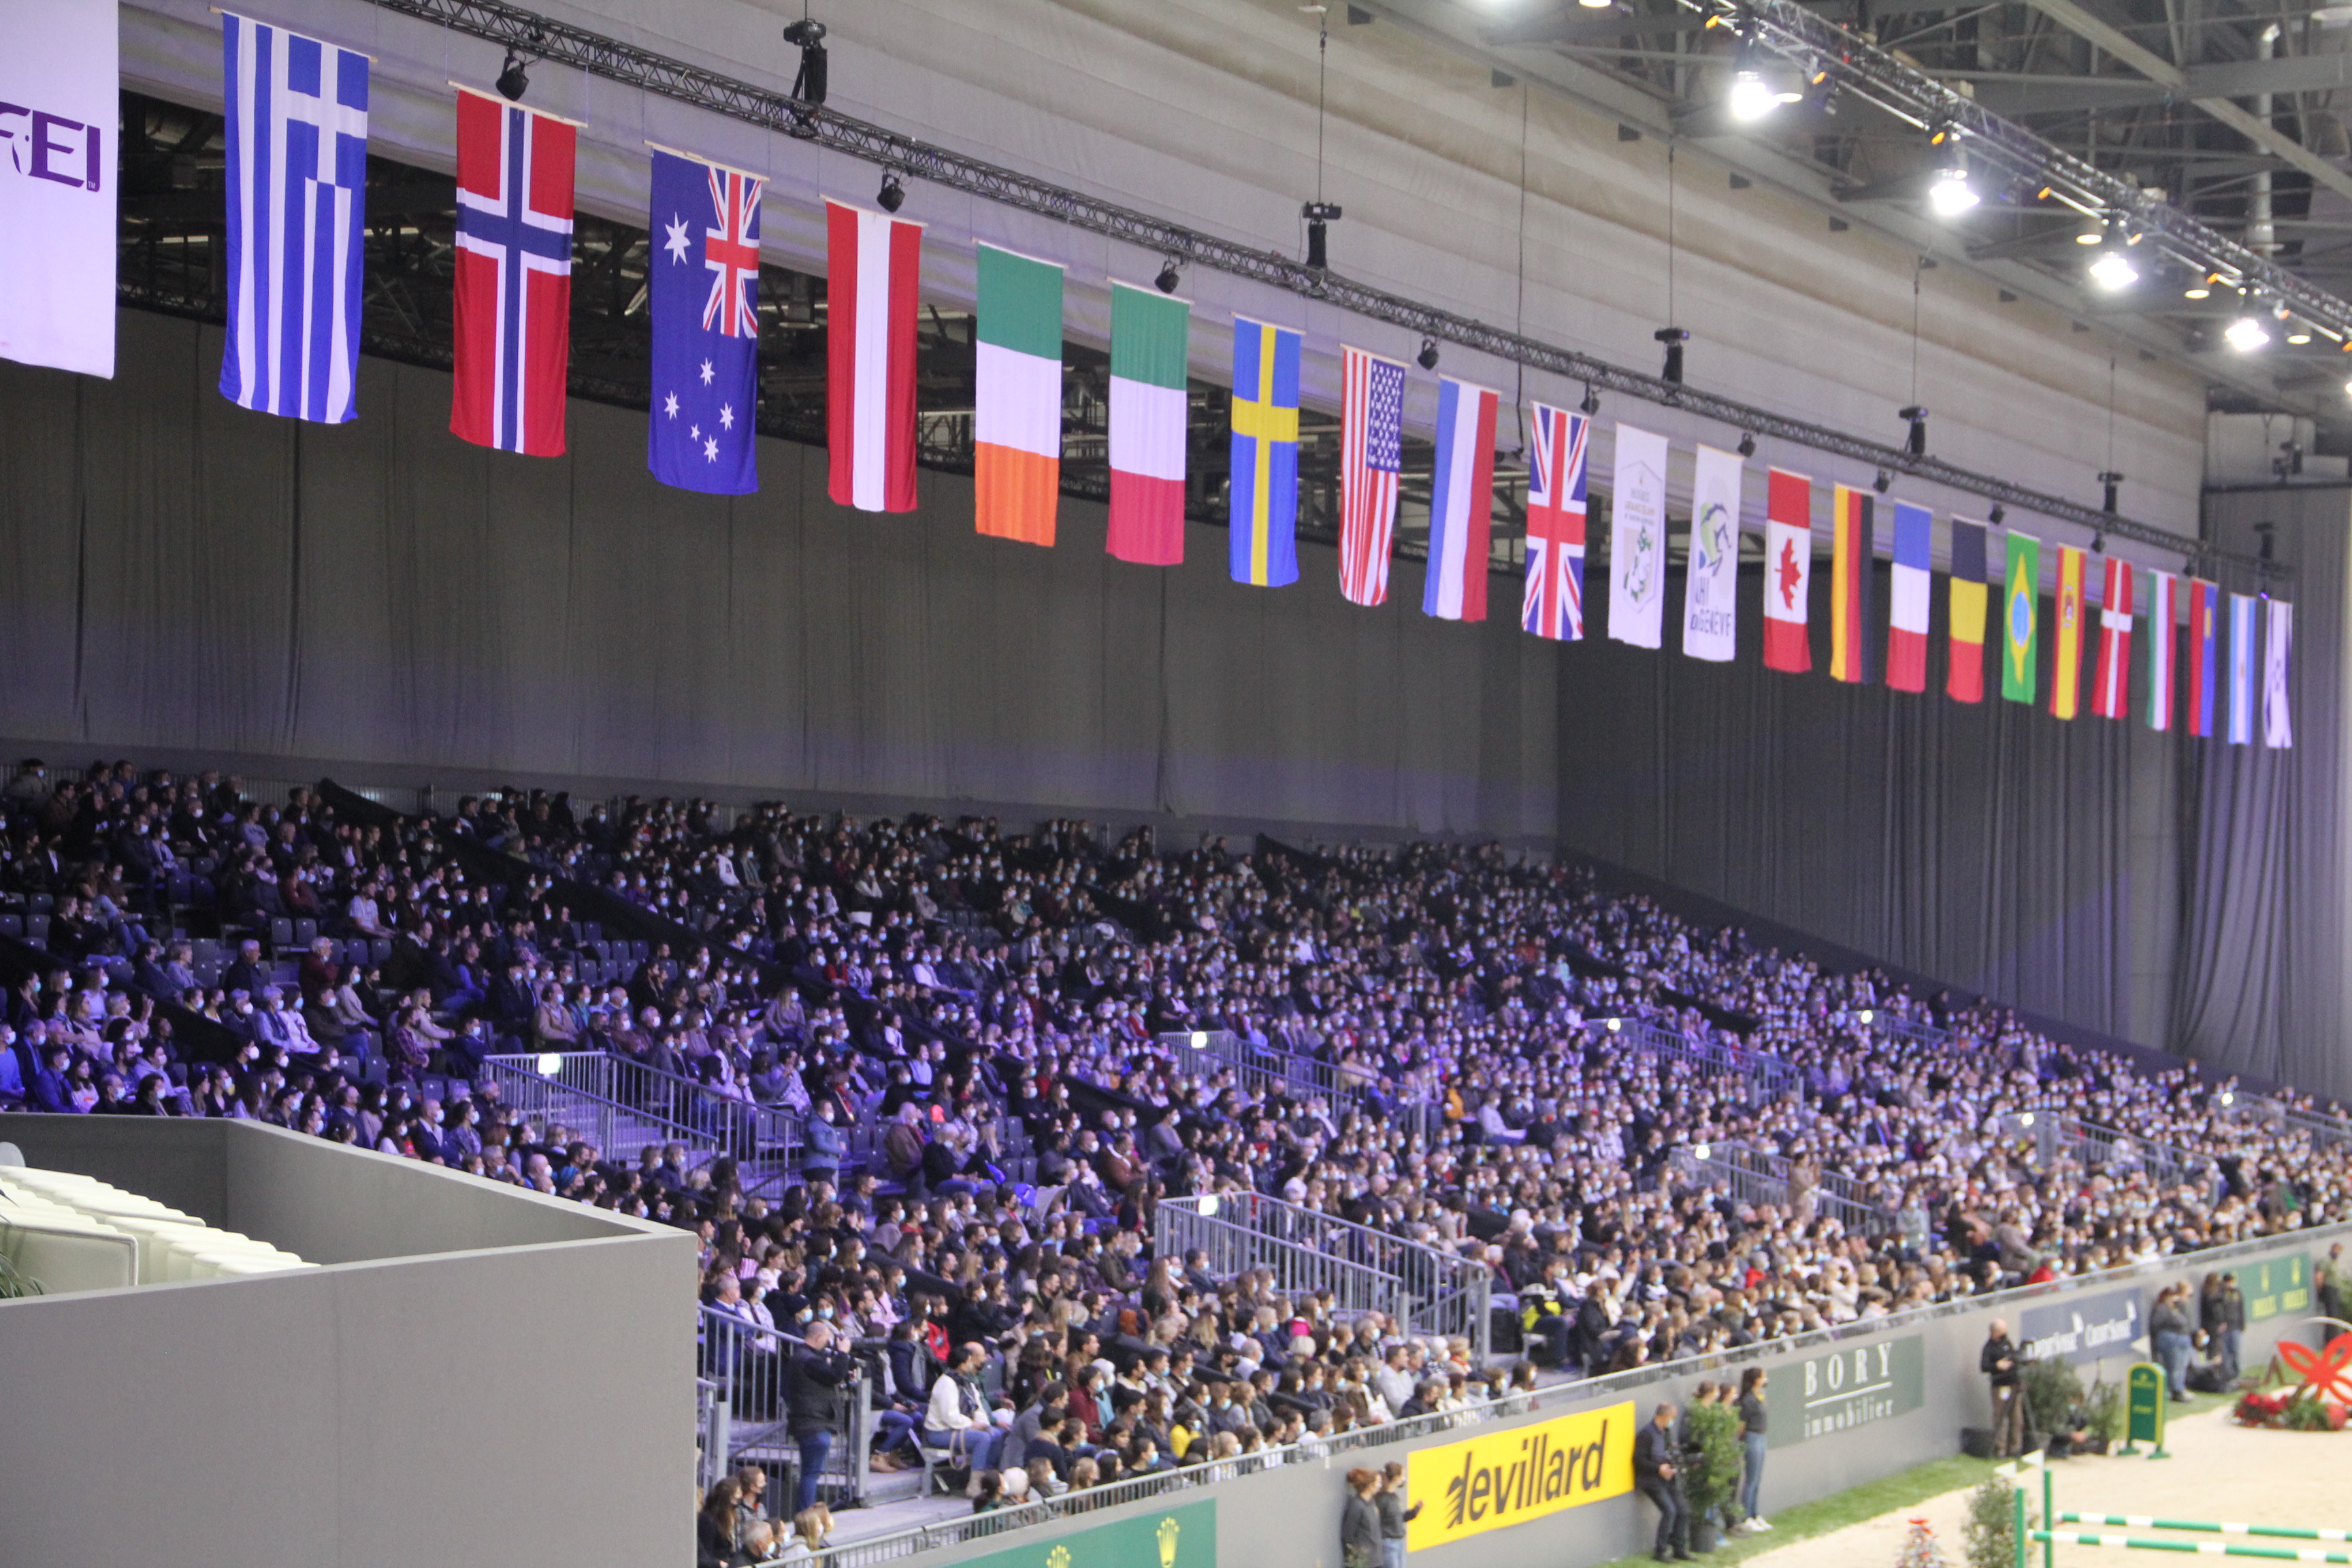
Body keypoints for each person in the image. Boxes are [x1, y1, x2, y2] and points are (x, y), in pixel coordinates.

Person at [782, 1319, 857, 1516]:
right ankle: (806, 1516)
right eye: (826, 1338)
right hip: (813, 1424)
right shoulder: (808, 1359)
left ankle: (806, 1514)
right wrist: (843, 1353)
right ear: (817, 1337)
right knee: (811, 1474)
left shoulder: (804, 1357)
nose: (828, 1343)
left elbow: (831, 1375)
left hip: (811, 1422)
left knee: (810, 1473)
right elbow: (834, 1375)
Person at [1635, 1401, 1691, 1563]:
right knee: (1669, 1511)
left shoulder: (1664, 1433)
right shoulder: (1646, 1434)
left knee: (1683, 1510)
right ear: (1664, 1416)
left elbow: (1667, 1455)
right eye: (1672, 1417)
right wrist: (1658, 1469)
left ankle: (1679, 1548)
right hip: (1651, 1480)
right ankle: (1660, 1551)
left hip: (1666, 1478)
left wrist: (1671, 1467)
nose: (1672, 1421)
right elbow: (1639, 1460)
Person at [1733, 1365, 1771, 1533]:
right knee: (1751, 1478)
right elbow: (1741, 1425)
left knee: (1757, 1478)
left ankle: (1755, 1514)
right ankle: (1746, 1517)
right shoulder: (1748, 1400)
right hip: (1752, 1437)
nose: (1765, 1379)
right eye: (1763, 1377)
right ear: (1756, 1380)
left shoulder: (1759, 1396)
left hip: (1761, 1436)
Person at [1982, 1320, 2024, 1457]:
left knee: (2017, 1418)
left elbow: (2013, 1357)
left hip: (2013, 1385)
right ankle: (2000, 1449)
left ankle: (2015, 1448)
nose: (2004, 1333)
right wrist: (1997, 1366)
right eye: (2001, 1331)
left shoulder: (2007, 1343)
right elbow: (1984, 1366)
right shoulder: (1989, 1348)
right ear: (1995, 1332)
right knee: (2000, 1418)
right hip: (2000, 1387)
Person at [2151, 1284, 2195, 1402]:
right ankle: (2175, 1391)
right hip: (2171, 1340)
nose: (2173, 1299)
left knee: (2182, 1366)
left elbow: (2186, 1320)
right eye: (2171, 1297)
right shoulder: (2162, 1308)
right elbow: (2155, 1325)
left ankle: (2180, 1388)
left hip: (2182, 1339)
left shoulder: (2177, 1308)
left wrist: (2181, 1303)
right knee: (2175, 1367)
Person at [1375, 1460, 1422, 1568]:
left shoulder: (1394, 1497)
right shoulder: (1382, 1499)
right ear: (1396, 1478)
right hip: (1388, 1543)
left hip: (1398, 1540)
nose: (1404, 1479)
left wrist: (1414, 1511)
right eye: (1402, 1476)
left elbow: (1398, 1518)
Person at [1340, 1467, 1384, 1568]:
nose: (1379, 1487)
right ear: (1370, 1485)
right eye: (1378, 1483)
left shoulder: (1372, 1503)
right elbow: (1348, 1535)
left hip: (1376, 1558)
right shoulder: (1357, 1505)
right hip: (1364, 1561)